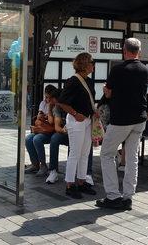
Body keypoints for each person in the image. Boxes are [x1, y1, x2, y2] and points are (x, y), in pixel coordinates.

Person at [96, 38, 148, 210]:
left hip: (121, 120)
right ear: (138, 52)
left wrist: (106, 91)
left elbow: (109, 94)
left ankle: (113, 196)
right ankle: (128, 197)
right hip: (139, 119)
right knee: (132, 157)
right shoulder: (145, 69)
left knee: (107, 154)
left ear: (124, 51)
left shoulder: (117, 69)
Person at [57, 53, 98, 199]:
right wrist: (75, 113)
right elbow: (61, 102)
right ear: (85, 64)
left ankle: (81, 181)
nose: (94, 65)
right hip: (76, 121)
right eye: (92, 62)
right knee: (74, 153)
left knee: (84, 153)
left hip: (87, 120)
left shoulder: (90, 81)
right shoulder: (73, 81)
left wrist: (94, 112)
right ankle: (69, 184)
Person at [46, 89, 94, 186]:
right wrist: (65, 130)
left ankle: (86, 174)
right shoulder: (57, 108)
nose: (48, 100)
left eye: (50, 99)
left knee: (86, 146)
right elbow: (56, 126)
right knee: (55, 139)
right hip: (65, 132)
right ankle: (53, 170)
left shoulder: (74, 105)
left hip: (77, 129)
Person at [24, 85, 58, 176]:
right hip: (42, 129)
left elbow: (52, 122)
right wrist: (41, 116)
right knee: (28, 139)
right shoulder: (43, 103)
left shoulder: (55, 105)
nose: (46, 99)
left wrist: (49, 110)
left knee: (37, 139)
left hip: (51, 131)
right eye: (45, 97)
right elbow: (40, 115)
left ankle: (43, 165)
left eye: (48, 97)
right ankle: (35, 164)